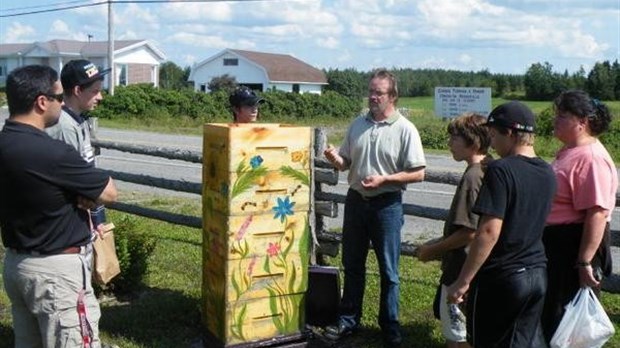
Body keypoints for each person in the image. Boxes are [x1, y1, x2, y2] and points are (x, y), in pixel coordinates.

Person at [0, 65, 117, 347]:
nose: (62, 103)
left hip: (17, 264)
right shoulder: (52, 153)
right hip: (56, 273)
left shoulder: (5, 144)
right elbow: (110, 192)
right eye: (58, 98)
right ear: (42, 102)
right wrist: (80, 192)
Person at [323, 69, 426, 347]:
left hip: (387, 206)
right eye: (370, 91)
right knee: (352, 264)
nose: (372, 96)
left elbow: (418, 173)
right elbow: (345, 163)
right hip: (357, 202)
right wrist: (335, 158)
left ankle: (390, 327)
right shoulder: (358, 124)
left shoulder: (405, 128)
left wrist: (386, 179)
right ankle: (348, 321)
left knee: (389, 271)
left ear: (392, 96)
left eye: (378, 92)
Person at [447, 101, 556, 348]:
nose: (492, 142)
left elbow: (488, 231)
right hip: (537, 274)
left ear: (510, 133)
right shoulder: (547, 172)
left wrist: (463, 281)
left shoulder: (501, 170)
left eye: (494, 134)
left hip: (503, 278)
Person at [541, 90, 618, 343]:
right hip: (559, 245)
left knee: (567, 321)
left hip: (573, 246)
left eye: (562, 116)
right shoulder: (571, 150)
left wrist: (584, 261)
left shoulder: (592, 158)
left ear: (582, 122)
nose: (555, 121)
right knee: (555, 316)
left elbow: (597, 213)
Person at [416, 113, 491, 348]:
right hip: (481, 266)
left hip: (461, 267)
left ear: (473, 141)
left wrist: (432, 250)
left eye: (454, 138)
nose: (449, 144)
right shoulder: (491, 167)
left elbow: (469, 232)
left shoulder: (472, 176)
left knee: (457, 336)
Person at [46, 59, 111, 228]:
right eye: (95, 91)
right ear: (77, 90)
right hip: (69, 220)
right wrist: (93, 218)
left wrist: (97, 216)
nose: (100, 97)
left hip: (83, 215)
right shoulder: (65, 126)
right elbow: (74, 180)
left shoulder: (77, 121)